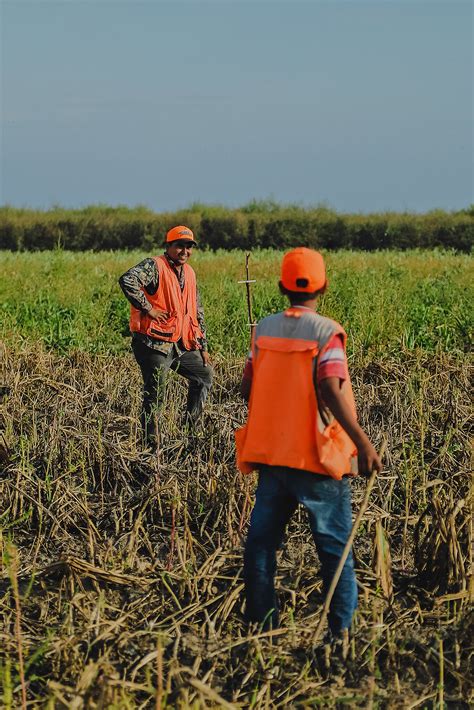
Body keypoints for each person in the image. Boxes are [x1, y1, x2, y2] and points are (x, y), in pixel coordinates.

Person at [235, 247, 382, 643]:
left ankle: (264, 627)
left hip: (272, 455)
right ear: (324, 286)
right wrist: (363, 443)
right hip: (317, 459)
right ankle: (340, 634)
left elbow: (247, 386)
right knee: (334, 549)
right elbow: (329, 388)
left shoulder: (263, 329)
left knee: (261, 546)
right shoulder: (326, 332)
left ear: (282, 286)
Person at [119, 225, 212, 450]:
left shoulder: (189, 273)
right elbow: (127, 280)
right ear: (168, 246)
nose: (185, 251)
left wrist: (203, 345)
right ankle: (151, 447)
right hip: (153, 343)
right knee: (156, 394)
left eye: (189, 247)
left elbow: (196, 311)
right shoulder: (154, 266)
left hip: (180, 343)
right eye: (180, 245)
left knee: (204, 375)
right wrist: (148, 308)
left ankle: (190, 434)